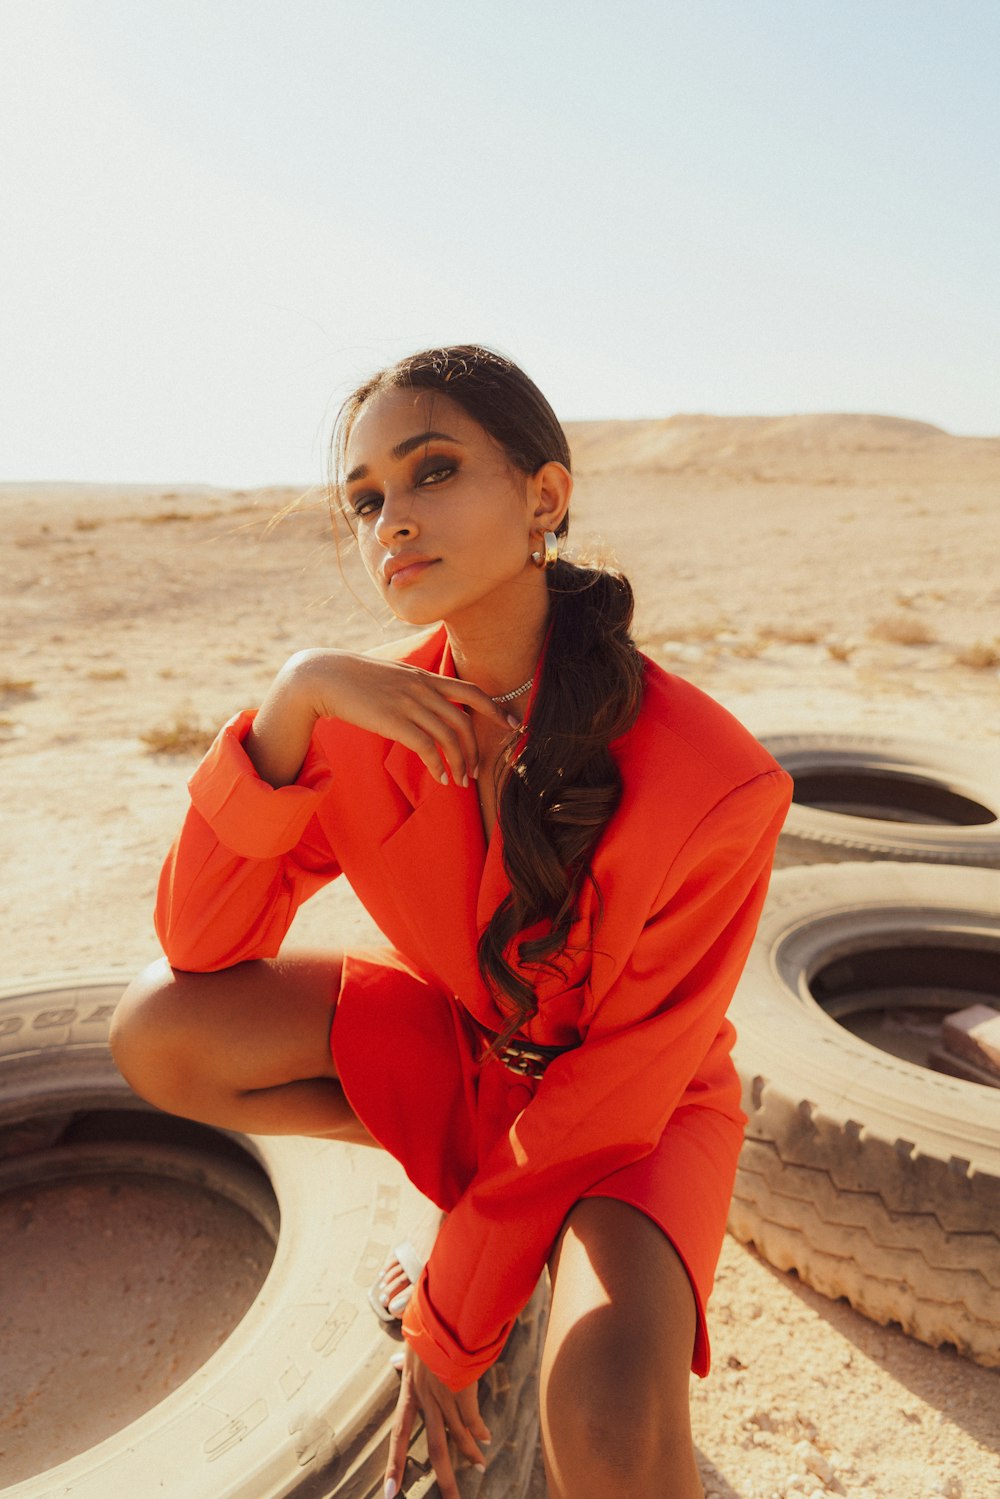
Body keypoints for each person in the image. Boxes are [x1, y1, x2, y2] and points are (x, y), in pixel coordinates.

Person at [111, 344, 792, 1499]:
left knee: (612, 1422)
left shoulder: (716, 780)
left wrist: (451, 1308)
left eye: (431, 472)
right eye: (366, 498)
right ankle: (484, 1196)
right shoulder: (357, 715)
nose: (392, 522)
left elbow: (616, 1084)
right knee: (157, 1027)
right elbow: (202, 947)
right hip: (473, 1066)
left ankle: (498, 1221)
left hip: (636, 1114)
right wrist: (295, 697)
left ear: (544, 498)